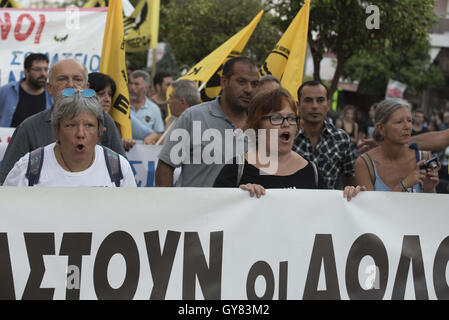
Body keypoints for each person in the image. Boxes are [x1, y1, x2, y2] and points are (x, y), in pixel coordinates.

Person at [0, 59, 125, 185]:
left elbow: (121, 173)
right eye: (62, 79)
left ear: (86, 86)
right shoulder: (29, 128)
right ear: (49, 87)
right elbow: (8, 181)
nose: (70, 85)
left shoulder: (104, 120)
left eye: (77, 79)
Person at [155, 56, 260, 187]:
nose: (249, 89)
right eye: (241, 81)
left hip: (246, 207)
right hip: (197, 207)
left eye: (254, 84)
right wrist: (167, 205)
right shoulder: (193, 117)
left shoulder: (261, 123)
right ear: (224, 82)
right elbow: (165, 166)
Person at [3, 88, 136, 187]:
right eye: (71, 125)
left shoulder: (118, 168)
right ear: (56, 130)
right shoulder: (28, 168)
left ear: (99, 131)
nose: (80, 134)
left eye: (89, 125)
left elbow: (130, 217)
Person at [354, 99, 439, 192]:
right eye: (399, 122)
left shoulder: (423, 158)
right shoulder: (365, 163)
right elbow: (369, 206)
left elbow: (430, 205)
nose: (407, 126)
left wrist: (428, 188)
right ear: (381, 128)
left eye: (409, 120)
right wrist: (404, 184)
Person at [292, 80, 356, 190]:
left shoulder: (342, 139)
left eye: (320, 100)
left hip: (329, 206)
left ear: (328, 105)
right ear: (298, 105)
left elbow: (350, 180)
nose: (315, 106)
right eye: (308, 100)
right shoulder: (283, 137)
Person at [0, 53, 53, 127]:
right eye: (38, 69)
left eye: (46, 69)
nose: (43, 74)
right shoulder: (6, 91)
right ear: (26, 72)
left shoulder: (52, 95)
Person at [156, 79, 200, 145]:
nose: (168, 101)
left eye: (171, 98)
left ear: (182, 102)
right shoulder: (172, 119)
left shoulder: (199, 125)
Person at [128, 70, 164, 143]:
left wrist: (152, 138)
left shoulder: (154, 109)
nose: (132, 87)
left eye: (136, 84)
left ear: (146, 88)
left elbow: (160, 135)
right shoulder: (121, 106)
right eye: (130, 83)